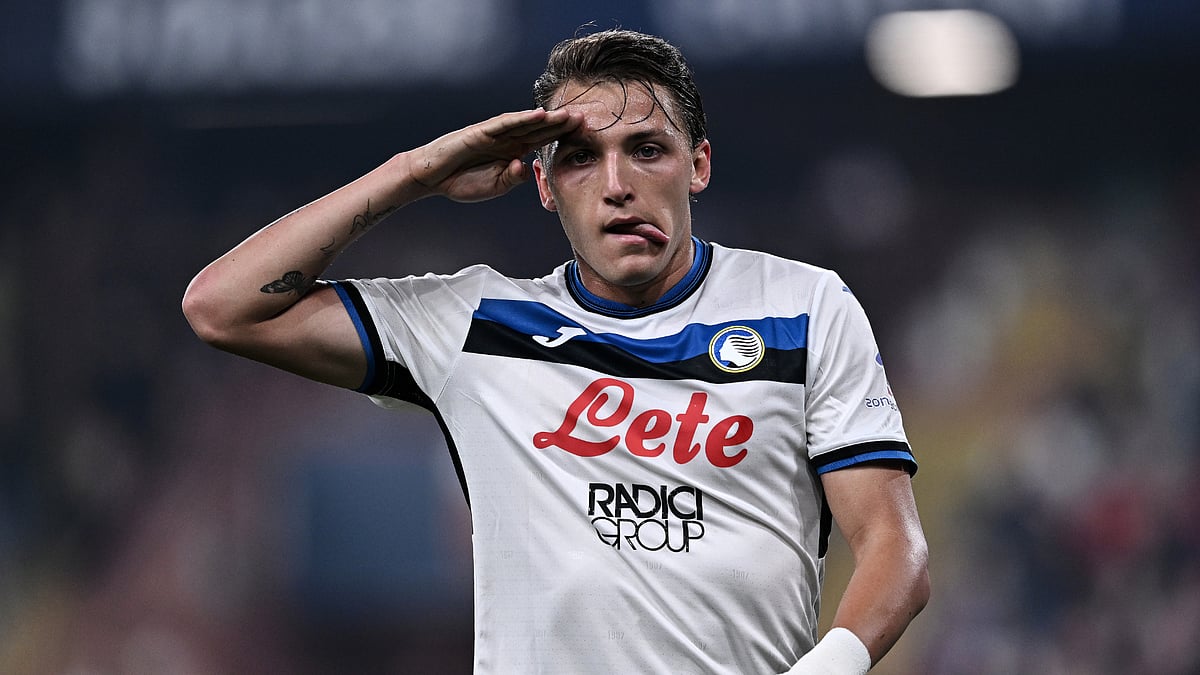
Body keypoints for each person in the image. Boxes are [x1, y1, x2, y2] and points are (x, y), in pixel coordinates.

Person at [183, 28, 929, 675]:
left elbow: (896, 548)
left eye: (646, 150)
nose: (616, 186)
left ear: (697, 166)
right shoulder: (476, 323)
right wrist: (415, 173)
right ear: (542, 183)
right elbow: (223, 307)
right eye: (579, 158)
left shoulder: (803, 306)